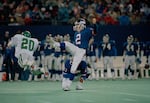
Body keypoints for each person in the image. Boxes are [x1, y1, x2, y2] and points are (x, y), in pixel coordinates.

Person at [49, 18, 95, 90]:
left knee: (85, 71)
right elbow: (92, 33)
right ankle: (68, 85)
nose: (75, 26)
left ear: (82, 25)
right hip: (79, 53)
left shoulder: (82, 32)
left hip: (79, 54)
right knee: (73, 69)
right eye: (75, 25)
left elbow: (93, 32)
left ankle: (77, 84)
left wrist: (93, 25)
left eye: (77, 25)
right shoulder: (81, 32)